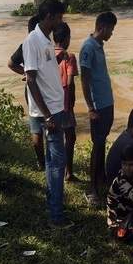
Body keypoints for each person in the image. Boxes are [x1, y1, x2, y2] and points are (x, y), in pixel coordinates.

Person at [21, 0, 72, 229]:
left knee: (54, 162)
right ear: (49, 15)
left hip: (56, 109)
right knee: (57, 163)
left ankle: (53, 205)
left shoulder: (45, 39)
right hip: (49, 113)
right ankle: (56, 216)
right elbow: (30, 80)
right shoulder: (32, 41)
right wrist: (48, 116)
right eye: (59, 16)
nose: (60, 21)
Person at [80, 11, 118, 206]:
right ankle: (92, 189)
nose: (112, 33)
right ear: (102, 27)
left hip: (106, 103)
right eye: (111, 29)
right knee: (97, 145)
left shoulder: (98, 45)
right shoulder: (87, 47)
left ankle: (101, 178)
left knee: (102, 142)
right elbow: (84, 80)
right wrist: (90, 107)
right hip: (98, 106)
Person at [8, 15, 45, 170]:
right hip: (38, 87)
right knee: (38, 125)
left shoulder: (26, 45)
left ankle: (41, 162)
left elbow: (11, 63)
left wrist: (25, 72)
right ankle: (44, 162)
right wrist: (26, 74)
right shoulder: (35, 44)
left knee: (36, 125)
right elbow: (10, 63)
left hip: (31, 88)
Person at [53, 22, 79, 181]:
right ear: (67, 38)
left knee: (55, 137)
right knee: (70, 137)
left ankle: (56, 170)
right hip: (64, 102)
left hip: (50, 104)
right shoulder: (69, 57)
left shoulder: (48, 54)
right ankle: (68, 172)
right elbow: (69, 82)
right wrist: (70, 103)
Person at [106, 145, 133, 242]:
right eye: (124, 164)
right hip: (118, 226)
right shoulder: (121, 182)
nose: (127, 168)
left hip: (130, 215)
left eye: (131, 165)